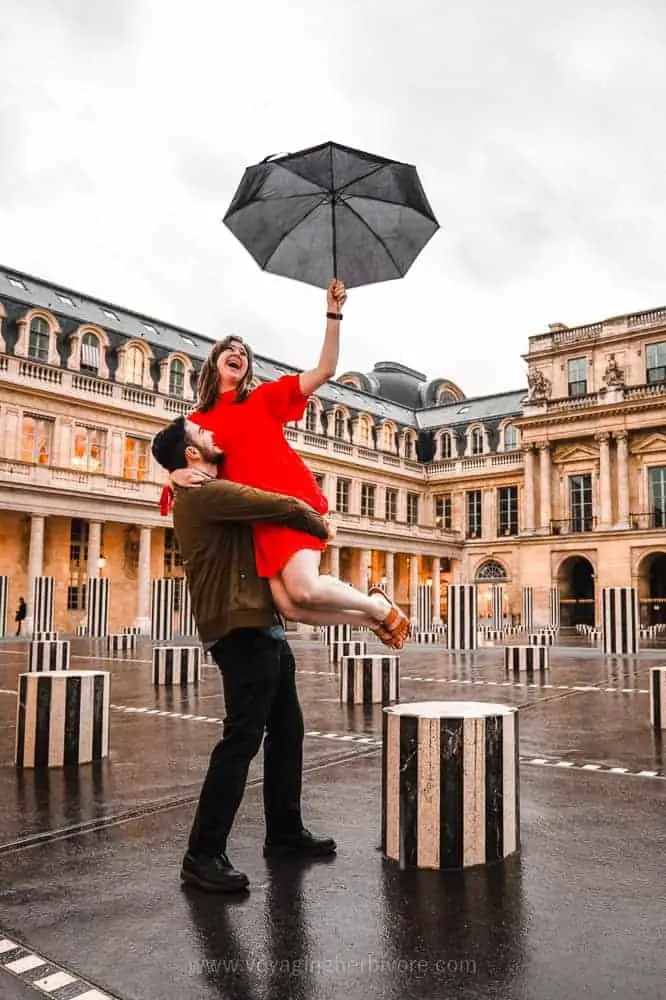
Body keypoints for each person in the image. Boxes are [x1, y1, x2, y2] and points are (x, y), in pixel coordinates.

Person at [151, 415, 338, 894]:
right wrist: (318, 520)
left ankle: (284, 831)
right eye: (202, 435)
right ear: (190, 454)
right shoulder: (203, 495)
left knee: (288, 730)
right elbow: (273, 504)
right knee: (241, 739)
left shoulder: (199, 485)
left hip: (261, 624)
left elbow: (240, 460)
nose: (213, 437)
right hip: (240, 628)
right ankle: (203, 854)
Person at [169, 280, 409, 649]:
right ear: (214, 361)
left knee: (304, 588)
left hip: (290, 501)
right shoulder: (197, 423)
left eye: (244, 353)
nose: (239, 353)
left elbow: (325, 369)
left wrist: (333, 312)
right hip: (258, 519)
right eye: (230, 350)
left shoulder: (263, 399)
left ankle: (376, 606)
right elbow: (174, 453)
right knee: (290, 606)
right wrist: (174, 473)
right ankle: (372, 617)